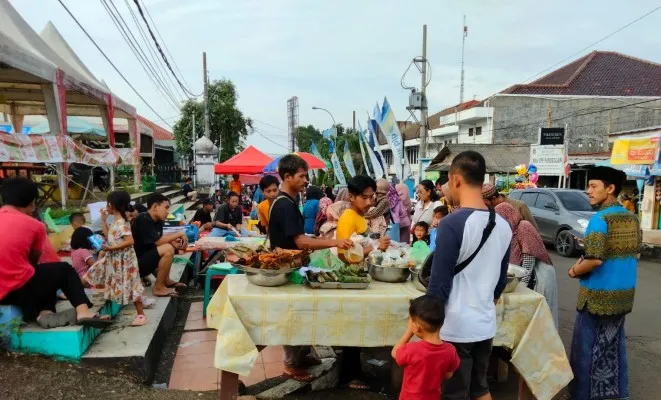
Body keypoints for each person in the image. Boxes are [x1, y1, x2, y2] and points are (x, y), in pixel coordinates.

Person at [427, 151, 512, 400]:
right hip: (484, 326)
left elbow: (438, 286)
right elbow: (500, 281)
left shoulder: (451, 224)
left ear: (456, 180)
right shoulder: (503, 225)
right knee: (480, 388)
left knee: (454, 393)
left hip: (455, 327)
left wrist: (429, 329)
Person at [268, 154, 353, 383]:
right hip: (286, 269)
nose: (306, 180)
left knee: (301, 314)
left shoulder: (288, 201)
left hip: (292, 267)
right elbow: (301, 242)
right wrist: (334, 241)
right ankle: (291, 364)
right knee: (292, 317)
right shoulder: (285, 204)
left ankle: (301, 356)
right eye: (302, 176)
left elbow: (301, 237)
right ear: (287, 177)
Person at [568, 166, 640, 400]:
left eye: (593, 186)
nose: (588, 191)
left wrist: (574, 270)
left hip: (596, 298)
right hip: (622, 297)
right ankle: (616, 394)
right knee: (613, 350)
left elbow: (595, 259)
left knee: (585, 352)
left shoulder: (600, 219)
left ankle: (583, 396)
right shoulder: (632, 219)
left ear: (610, 189)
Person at [0, 177, 110, 329]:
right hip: (16, 290)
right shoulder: (35, 225)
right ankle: (82, 311)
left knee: (41, 274)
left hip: (4, 294)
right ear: (32, 201)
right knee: (61, 270)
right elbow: (38, 260)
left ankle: (45, 312)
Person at [334, 175, 390, 390]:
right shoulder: (348, 217)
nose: (369, 202)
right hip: (350, 279)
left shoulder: (360, 216)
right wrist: (375, 247)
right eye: (364, 198)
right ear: (351, 196)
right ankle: (350, 375)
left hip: (359, 278)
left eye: (372, 197)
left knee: (357, 326)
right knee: (352, 326)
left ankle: (354, 370)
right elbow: (343, 255)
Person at [83, 191, 148, 327]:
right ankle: (86, 304)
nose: (107, 207)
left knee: (132, 285)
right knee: (93, 274)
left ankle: (141, 315)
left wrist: (111, 249)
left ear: (112, 205)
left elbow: (130, 241)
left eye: (108, 204)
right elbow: (108, 237)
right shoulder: (116, 222)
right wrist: (103, 220)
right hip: (115, 258)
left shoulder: (122, 223)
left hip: (125, 260)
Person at [495, 202, 558, 326]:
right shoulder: (511, 231)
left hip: (540, 274)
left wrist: (521, 286)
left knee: (542, 315)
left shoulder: (524, 227)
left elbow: (529, 259)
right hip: (529, 273)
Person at [392, 295, 460, 400]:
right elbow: (448, 375)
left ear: (416, 327)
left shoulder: (412, 350)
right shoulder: (450, 350)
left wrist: (409, 332)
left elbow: (395, 353)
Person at [132, 193, 189, 297]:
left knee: (170, 246)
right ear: (155, 207)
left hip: (145, 261)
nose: (168, 212)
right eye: (166, 208)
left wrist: (176, 242)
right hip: (134, 265)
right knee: (167, 249)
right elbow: (158, 242)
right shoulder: (143, 218)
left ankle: (165, 281)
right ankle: (158, 287)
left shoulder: (158, 221)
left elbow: (160, 238)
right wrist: (180, 233)